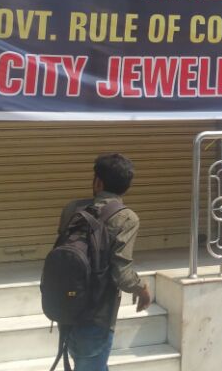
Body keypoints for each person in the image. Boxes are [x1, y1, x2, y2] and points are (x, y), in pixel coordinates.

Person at [56, 153, 152, 371]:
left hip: (66, 309)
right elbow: (121, 273)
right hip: (96, 316)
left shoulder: (72, 209)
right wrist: (142, 289)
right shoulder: (126, 218)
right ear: (126, 187)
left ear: (98, 182)